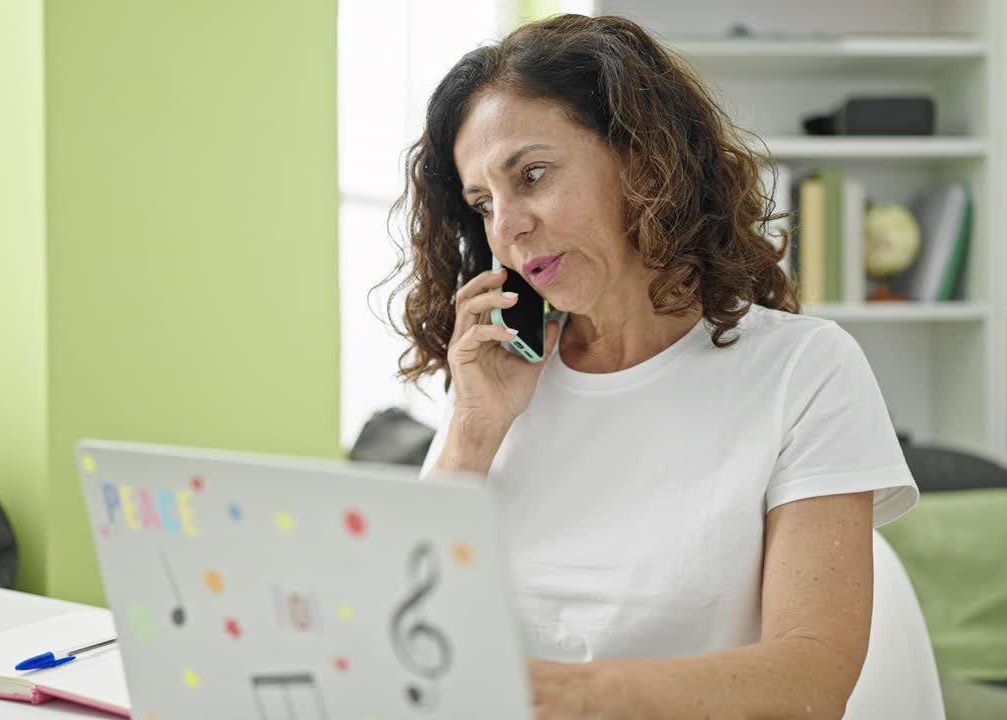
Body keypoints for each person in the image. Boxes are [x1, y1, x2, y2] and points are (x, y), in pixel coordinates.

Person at [383, 14, 924, 719]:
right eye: (484, 203)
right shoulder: (500, 386)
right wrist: (474, 428)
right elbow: (396, 635)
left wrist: (575, 697)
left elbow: (810, 680)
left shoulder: (804, 370)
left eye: (533, 175)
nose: (508, 229)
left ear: (641, 160)